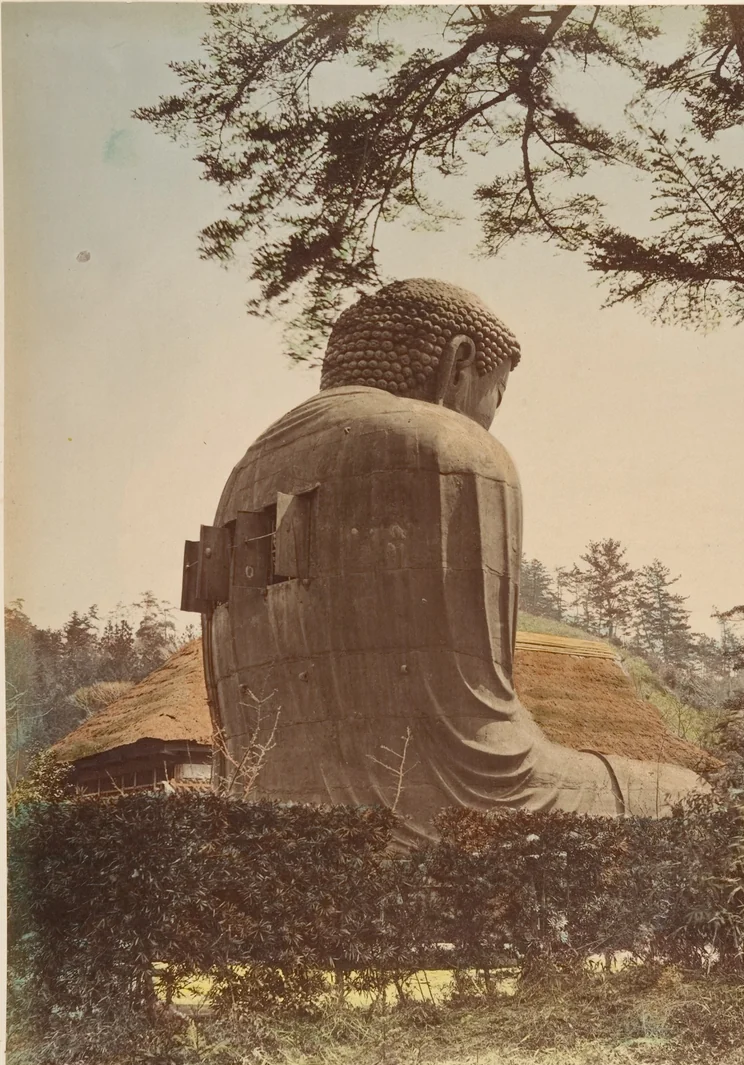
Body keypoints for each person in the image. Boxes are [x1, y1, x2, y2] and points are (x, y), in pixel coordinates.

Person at [202, 279, 702, 845]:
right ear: (458, 363)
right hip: (450, 797)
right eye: (497, 393)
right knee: (684, 792)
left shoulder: (245, 474)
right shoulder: (449, 447)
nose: (490, 415)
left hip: (269, 820)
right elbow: (486, 734)